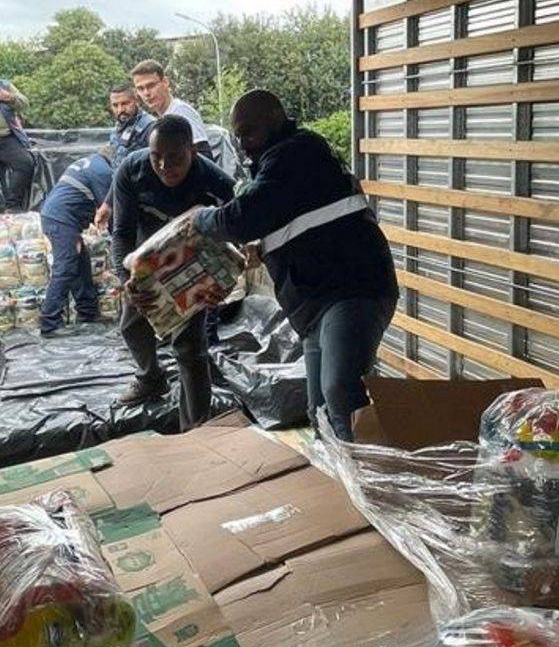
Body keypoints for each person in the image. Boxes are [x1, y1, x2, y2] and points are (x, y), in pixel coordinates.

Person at [187, 90, 399, 442]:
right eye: (237, 135)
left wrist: (199, 219)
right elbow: (293, 218)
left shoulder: (295, 153)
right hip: (315, 303)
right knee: (320, 412)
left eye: (249, 132)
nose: (243, 143)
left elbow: (241, 219)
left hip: (351, 291)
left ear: (275, 120)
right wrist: (263, 247)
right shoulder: (276, 161)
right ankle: (334, 472)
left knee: (340, 392)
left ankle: (367, 473)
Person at [111, 114, 235, 430]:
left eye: (175, 158)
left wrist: (222, 279)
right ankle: (150, 377)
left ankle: (196, 429)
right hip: (144, 262)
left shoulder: (212, 178)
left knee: (190, 347)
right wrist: (125, 279)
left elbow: (242, 219)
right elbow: (121, 232)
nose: (165, 166)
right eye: (157, 157)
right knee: (131, 324)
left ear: (192, 151)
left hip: (192, 265)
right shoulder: (131, 171)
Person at [39, 150, 113, 336]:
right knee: (65, 267)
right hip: (61, 220)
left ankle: (87, 313)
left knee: (81, 263)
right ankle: (49, 323)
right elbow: (110, 209)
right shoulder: (103, 171)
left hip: (58, 216)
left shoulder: (90, 162)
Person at [94, 83, 155, 231]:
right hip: (124, 202)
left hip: (148, 208)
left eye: (125, 103)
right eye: (115, 105)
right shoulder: (117, 130)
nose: (120, 109)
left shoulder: (150, 127)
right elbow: (118, 170)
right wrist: (109, 203)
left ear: (136, 101)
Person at [130, 60, 214, 161]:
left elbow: (204, 155)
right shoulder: (163, 117)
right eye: (140, 88)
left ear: (165, 82)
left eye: (151, 86)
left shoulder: (181, 112)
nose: (146, 93)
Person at [0, 77, 34, 212]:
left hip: (7, 137)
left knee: (25, 163)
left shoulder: (5, 85)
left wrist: (9, 97)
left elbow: (25, 103)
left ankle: (12, 205)